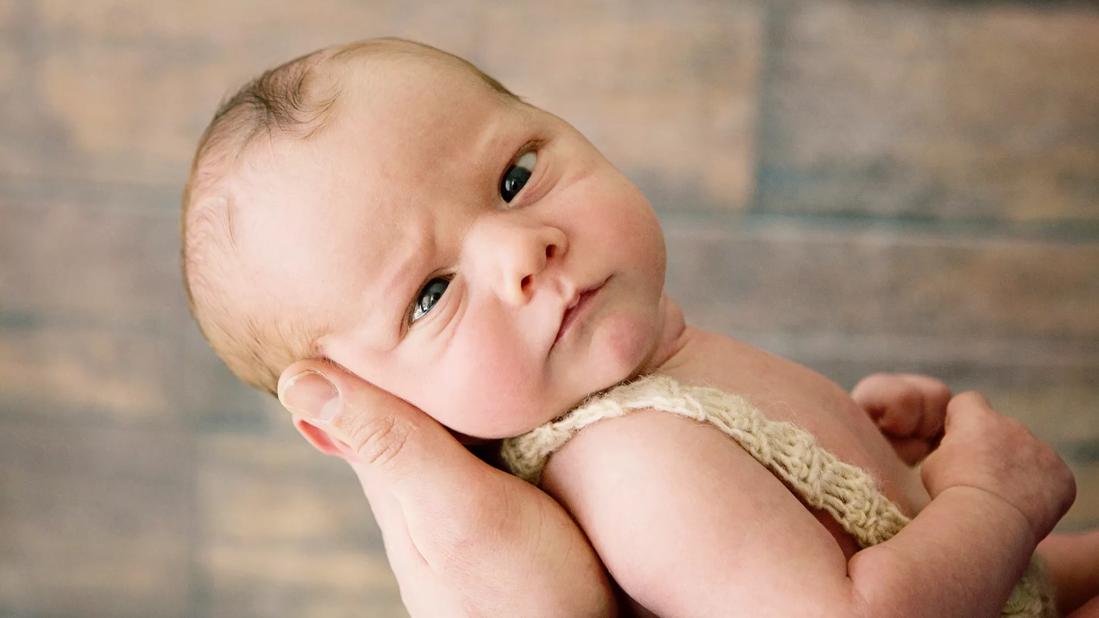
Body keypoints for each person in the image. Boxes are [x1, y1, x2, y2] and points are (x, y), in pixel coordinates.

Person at [181, 38, 1099, 616]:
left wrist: (879, 467)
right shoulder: (633, 464)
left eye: (514, 176)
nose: (521, 250)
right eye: (430, 294)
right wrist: (993, 503)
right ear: (362, 407)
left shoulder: (667, 388)